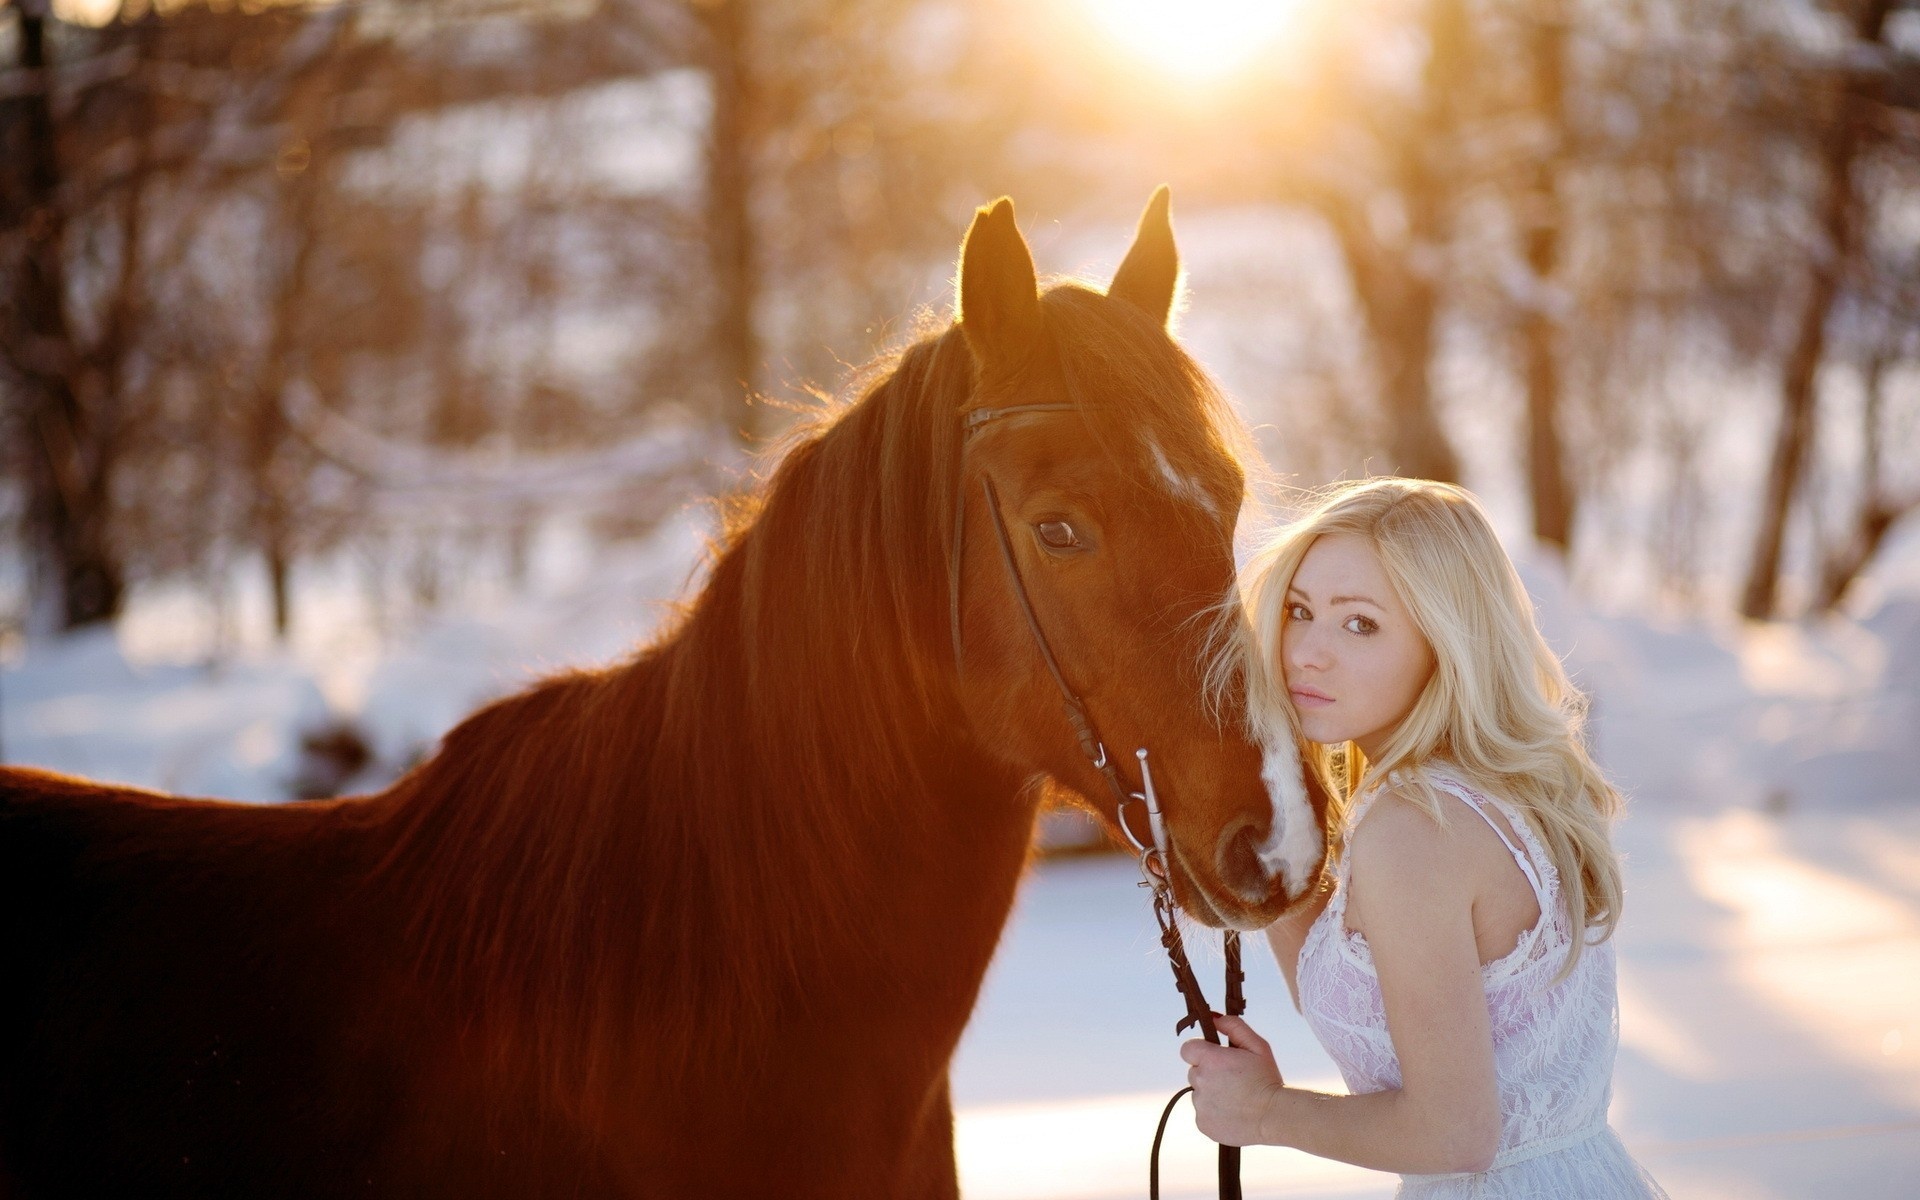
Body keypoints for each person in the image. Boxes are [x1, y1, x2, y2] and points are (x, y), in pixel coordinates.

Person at [1180, 478, 1668, 1198]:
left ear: (1446, 641)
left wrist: (1264, 1112)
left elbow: (1454, 1134)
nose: (1307, 653)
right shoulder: (1482, 793)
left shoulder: (1415, 828)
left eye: (1361, 624)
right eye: (1298, 611)